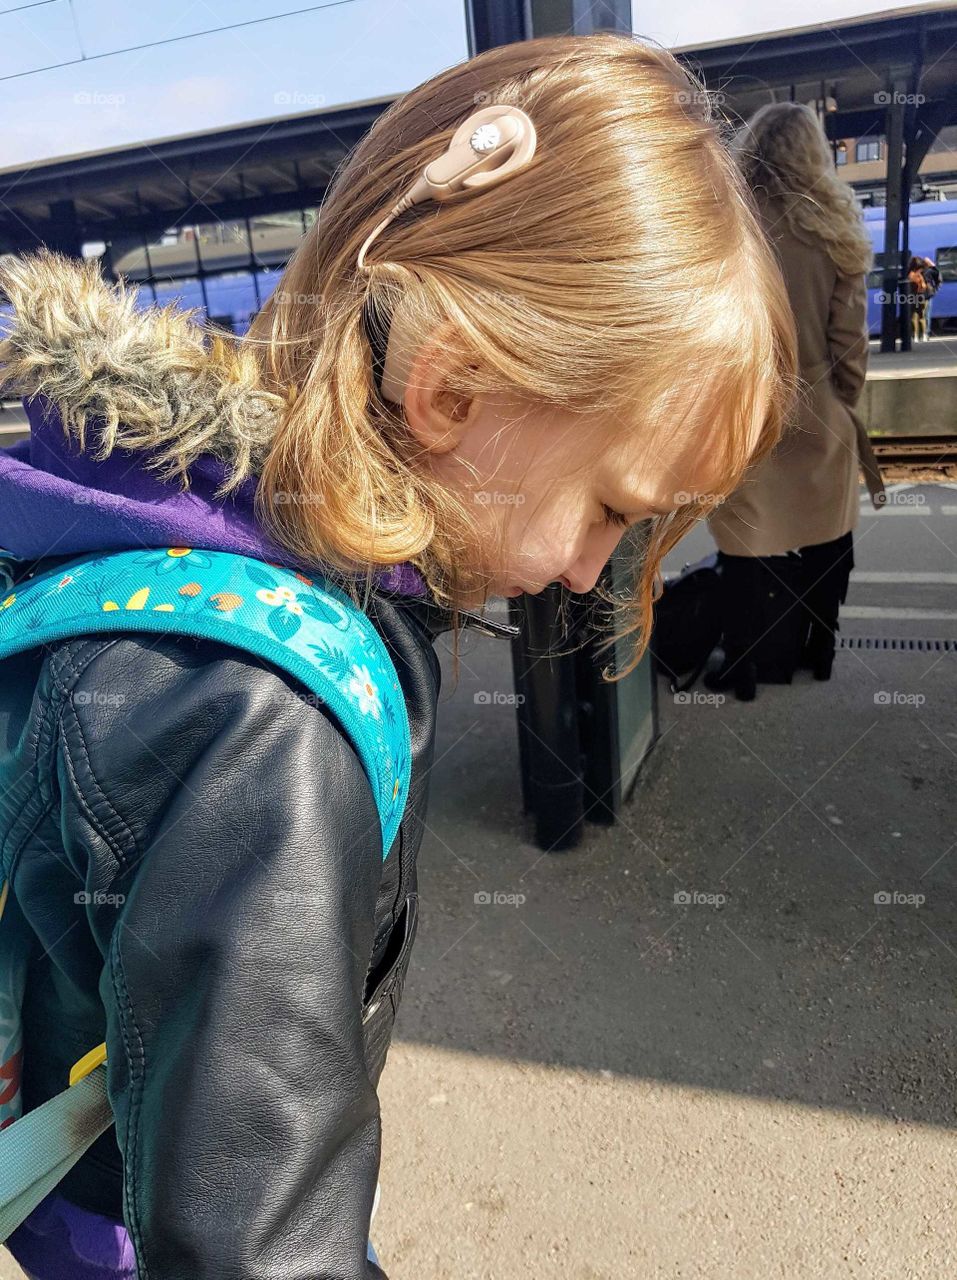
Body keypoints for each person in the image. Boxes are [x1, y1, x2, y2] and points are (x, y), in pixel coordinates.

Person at [0, 33, 794, 1280]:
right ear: (452, 391)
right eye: (609, 506)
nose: (595, 569)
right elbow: (260, 1245)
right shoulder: (268, 719)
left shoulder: (166, 529)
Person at [706, 101, 881, 699]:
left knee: (749, 551)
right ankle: (819, 652)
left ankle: (750, 667)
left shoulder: (727, 224)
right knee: (827, 542)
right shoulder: (835, 226)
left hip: (747, 412)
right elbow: (849, 344)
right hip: (820, 409)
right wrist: (842, 401)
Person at [907, 254, 929, 342]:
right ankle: (924, 335)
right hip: (922, 296)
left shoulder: (910, 274)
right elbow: (925, 286)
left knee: (914, 317)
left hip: (912, 297)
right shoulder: (924, 272)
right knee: (922, 316)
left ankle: (915, 336)